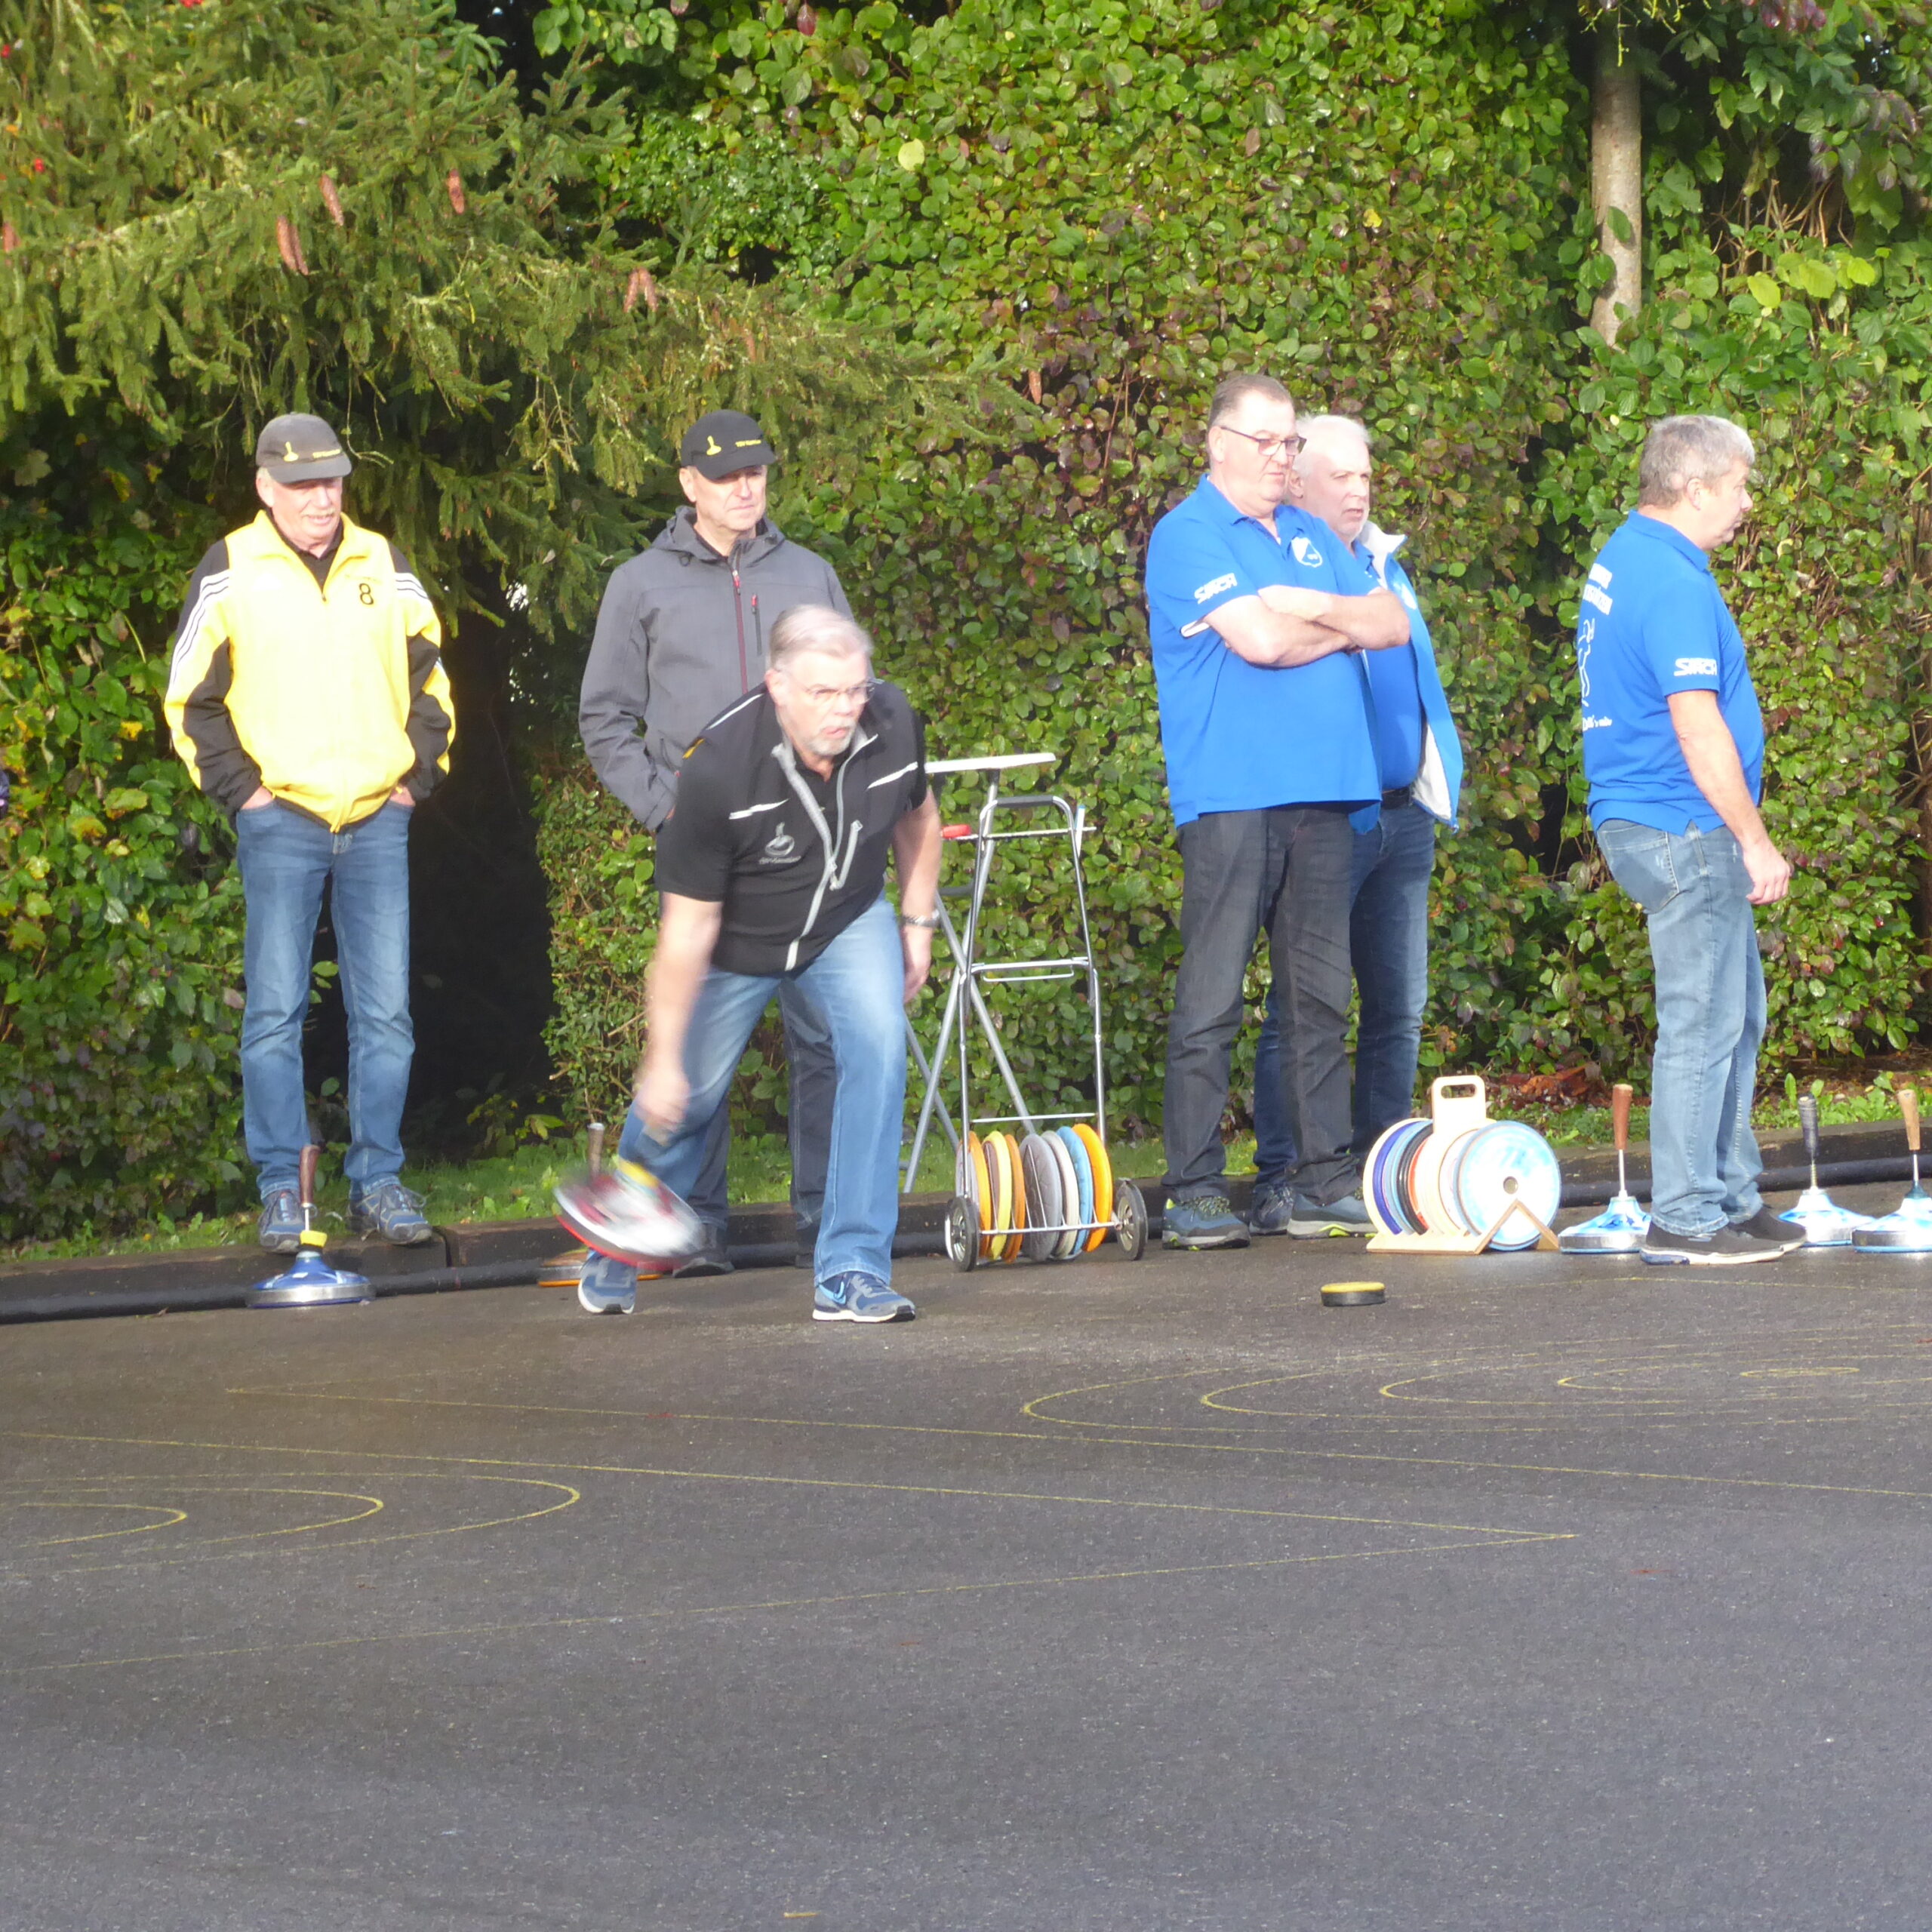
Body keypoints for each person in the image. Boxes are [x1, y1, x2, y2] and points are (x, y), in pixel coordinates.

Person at [577, 604, 942, 1321]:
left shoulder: (893, 720)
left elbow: (919, 817)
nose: (845, 709)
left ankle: (852, 1270)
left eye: (855, 689)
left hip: (845, 918)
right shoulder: (718, 770)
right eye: (823, 693)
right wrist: (662, 1059)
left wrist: (918, 922)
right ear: (778, 687)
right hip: (736, 941)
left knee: (879, 1054)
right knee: (684, 1095)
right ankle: (616, 1240)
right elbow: (686, 931)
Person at [164, 412, 454, 1251]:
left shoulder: (384, 562)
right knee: (273, 1015)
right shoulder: (229, 567)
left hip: (377, 820)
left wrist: (413, 782)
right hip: (281, 821)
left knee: (387, 1015)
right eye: (302, 484)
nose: (322, 498)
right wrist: (246, 795)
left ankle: (377, 1183)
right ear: (266, 487)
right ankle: (281, 1192)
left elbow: (432, 677)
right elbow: (189, 698)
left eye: (331, 481)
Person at [1143, 374, 1412, 1249]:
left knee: (1319, 1002)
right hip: (1234, 795)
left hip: (1328, 792)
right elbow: (1258, 641)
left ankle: (1319, 1181)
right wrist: (1337, 625)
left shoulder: (1306, 532)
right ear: (1216, 442)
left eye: (1289, 441)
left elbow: (1391, 623)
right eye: (1264, 440)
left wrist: (1312, 607)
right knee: (1213, 997)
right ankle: (1193, 1190)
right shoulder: (1187, 534)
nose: (1280, 456)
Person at [580, 409, 851, 1275]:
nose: (744, 487)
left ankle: (828, 1219)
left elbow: (856, 694)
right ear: (688, 482)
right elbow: (603, 717)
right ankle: (695, 1223)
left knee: (825, 1039)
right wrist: (667, 811)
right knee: (697, 1044)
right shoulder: (640, 584)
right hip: (706, 850)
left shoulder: (810, 574)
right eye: (726, 474)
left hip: (808, 851)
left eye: (756, 471)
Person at [1577, 414, 1800, 1265]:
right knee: (1704, 1023)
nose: (1747, 503)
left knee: (1735, 1016)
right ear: (1696, 487)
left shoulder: (1628, 555)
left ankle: (1730, 1193)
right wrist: (1755, 839)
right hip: (1684, 825)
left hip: (1657, 819)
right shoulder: (1669, 581)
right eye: (1740, 486)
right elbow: (1696, 723)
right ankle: (1685, 1216)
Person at [1247, 416, 1465, 1231]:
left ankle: (1379, 1174)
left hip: (1403, 815)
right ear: (1297, 485)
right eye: (1340, 476)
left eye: (1366, 475)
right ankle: (1281, 1177)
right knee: (1304, 1007)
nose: (1359, 490)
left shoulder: (1384, 564)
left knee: (1397, 1010)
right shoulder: (1281, 566)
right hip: (1328, 816)